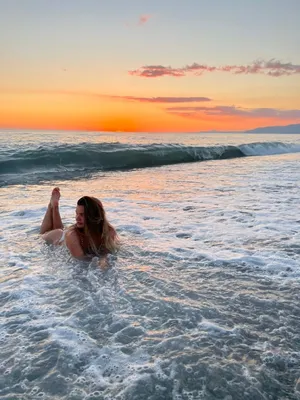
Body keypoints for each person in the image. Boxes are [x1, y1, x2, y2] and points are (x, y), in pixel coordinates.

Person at [40, 187, 119, 268]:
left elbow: (107, 251)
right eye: (77, 213)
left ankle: (54, 206)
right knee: (45, 233)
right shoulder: (72, 236)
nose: (77, 218)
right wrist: (101, 261)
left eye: (82, 214)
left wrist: (104, 259)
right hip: (59, 238)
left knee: (61, 229)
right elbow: (81, 260)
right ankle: (52, 206)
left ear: (93, 216)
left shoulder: (109, 231)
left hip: (66, 234)